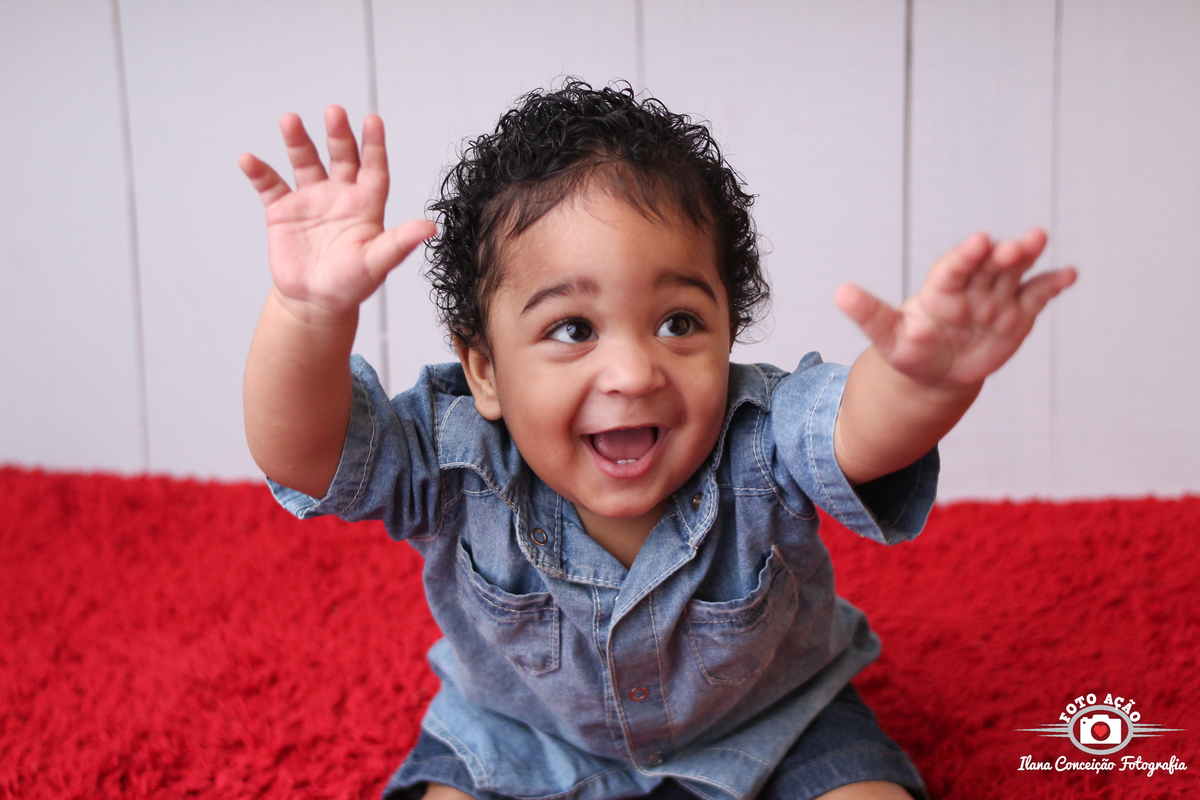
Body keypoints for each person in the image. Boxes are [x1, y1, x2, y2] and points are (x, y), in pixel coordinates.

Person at [239, 82, 1075, 800]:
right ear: (485, 370)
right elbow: (307, 455)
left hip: (775, 723)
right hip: (520, 738)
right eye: (573, 329)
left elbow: (856, 431)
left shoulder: (758, 434)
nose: (634, 373)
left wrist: (925, 381)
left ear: (728, 333)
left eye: (678, 322)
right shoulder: (455, 454)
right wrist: (308, 315)